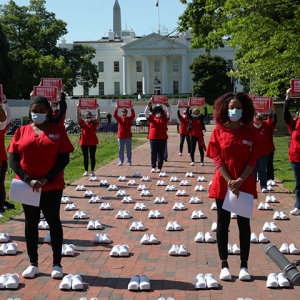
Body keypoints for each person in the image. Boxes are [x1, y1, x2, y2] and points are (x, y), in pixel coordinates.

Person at [8, 96, 74, 279]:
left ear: (49, 111)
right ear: (30, 111)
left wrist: (45, 179)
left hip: (51, 186)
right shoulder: (21, 131)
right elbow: (13, 158)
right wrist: (28, 180)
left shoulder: (57, 130)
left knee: (54, 221)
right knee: (31, 223)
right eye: (34, 110)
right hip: (27, 186)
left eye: (42, 110)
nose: (37, 114)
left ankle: (57, 264)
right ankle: (33, 263)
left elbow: (64, 158)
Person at [206, 92, 257, 282]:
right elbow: (217, 158)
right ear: (224, 110)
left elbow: (253, 158)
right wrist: (230, 181)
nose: (234, 110)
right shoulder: (218, 131)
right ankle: (224, 264)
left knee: (244, 225)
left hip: (244, 184)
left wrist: (240, 181)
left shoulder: (250, 132)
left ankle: (244, 265)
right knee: (222, 225)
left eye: (238, 107)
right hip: (223, 183)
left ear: (244, 110)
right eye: (231, 107)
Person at [284, 88, 300, 215]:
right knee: (298, 182)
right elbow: (285, 115)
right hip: (295, 157)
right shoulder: (293, 125)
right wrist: (287, 97)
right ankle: (298, 206)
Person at [145, 99, 171, 173]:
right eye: (156, 112)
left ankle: (159, 167)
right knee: (153, 152)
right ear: (154, 112)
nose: (158, 113)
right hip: (153, 137)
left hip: (162, 137)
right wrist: (148, 106)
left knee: (161, 152)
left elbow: (169, 113)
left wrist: (167, 106)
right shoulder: (151, 117)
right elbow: (146, 113)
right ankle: (153, 166)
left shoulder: (164, 118)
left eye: (159, 112)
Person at [77, 104, 100, 176]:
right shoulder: (82, 123)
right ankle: (86, 170)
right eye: (87, 116)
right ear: (85, 117)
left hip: (93, 143)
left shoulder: (94, 123)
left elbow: (98, 118)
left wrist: (98, 109)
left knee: (92, 157)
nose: (88, 118)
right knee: (85, 157)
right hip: (84, 143)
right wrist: (78, 109)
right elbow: (78, 117)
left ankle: (92, 170)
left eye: (89, 116)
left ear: (91, 117)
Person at [252, 111, 273, 193]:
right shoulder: (251, 126)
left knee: (262, 170)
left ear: (261, 121)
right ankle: (253, 186)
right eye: (255, 121)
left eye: (258, 121)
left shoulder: (265, 126)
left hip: (263, 153)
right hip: (253, 153)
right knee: (253, 170)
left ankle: (263, 186)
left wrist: (271, 113)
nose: (256, 123)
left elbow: (270, 122)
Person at [0, 94, 12, 216]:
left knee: (0, 185)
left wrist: (4, 103)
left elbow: (6, 118)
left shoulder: (1, 127)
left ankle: (1, 207)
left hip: (1, 161)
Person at [267, 105, 277, 182]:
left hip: (269, 148)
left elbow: (275, 120)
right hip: (260, 148)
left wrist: (273, 111)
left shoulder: (271, 127)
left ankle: (270, 178)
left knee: (270, 163)